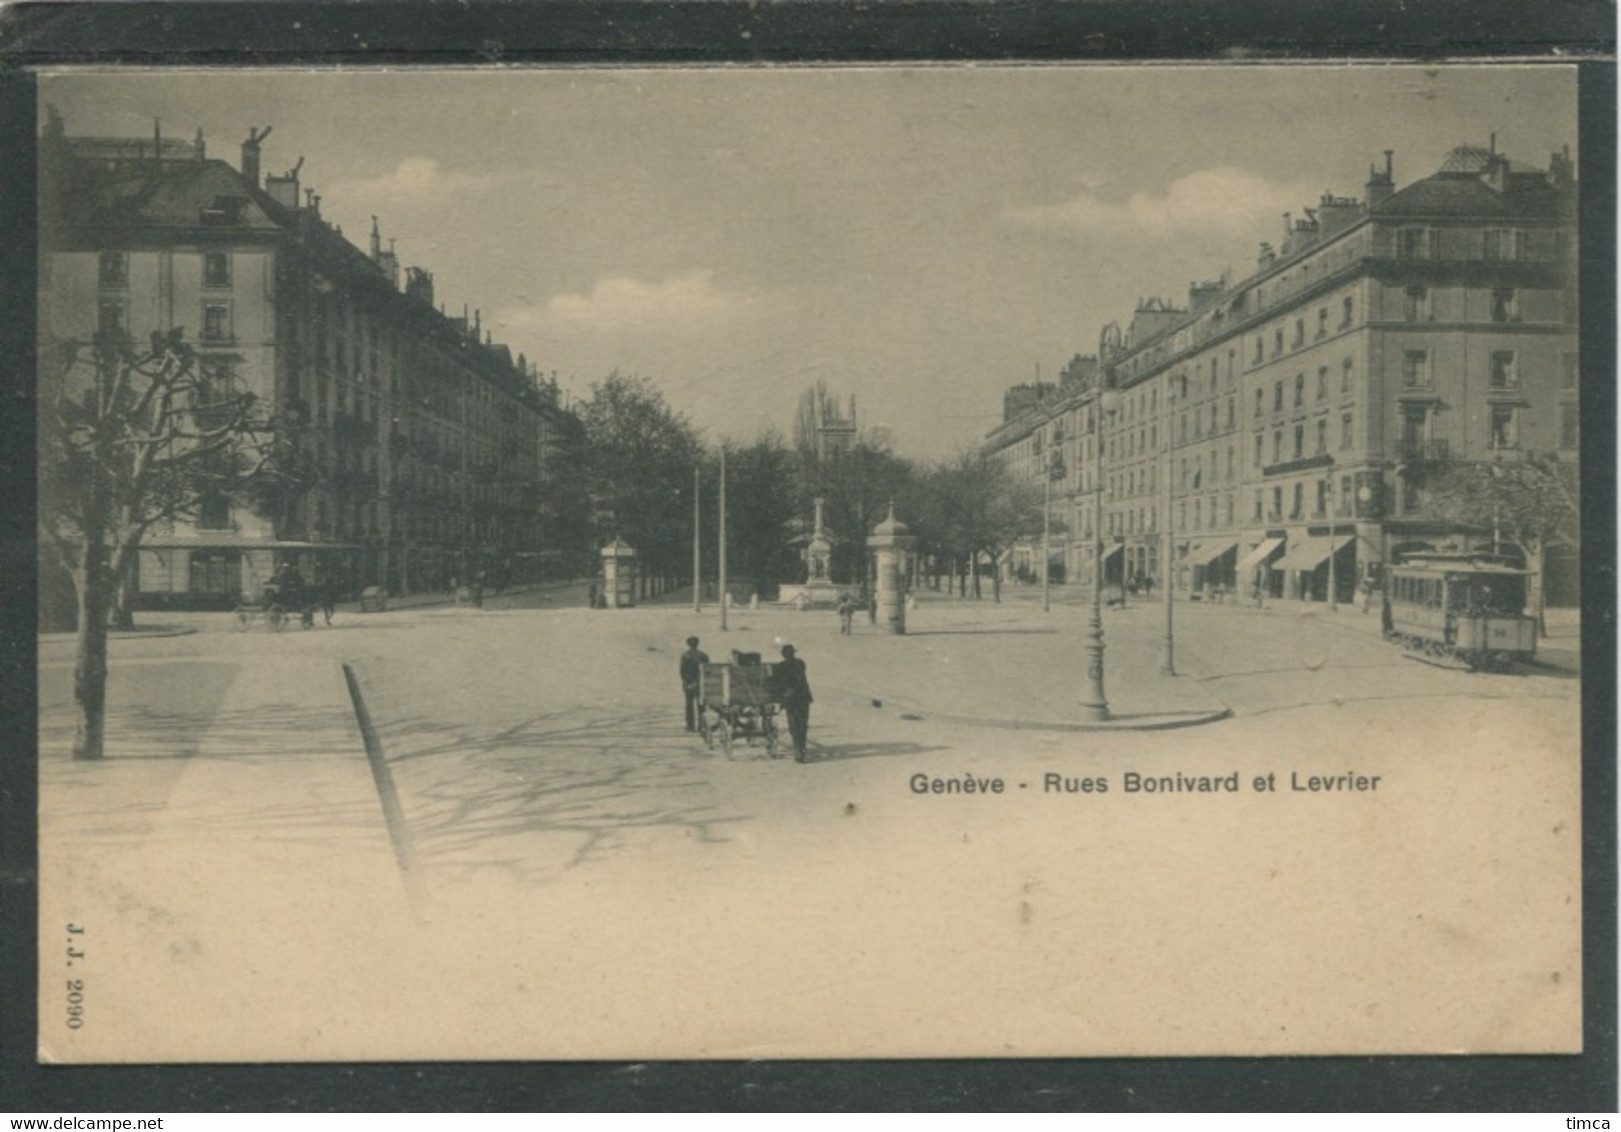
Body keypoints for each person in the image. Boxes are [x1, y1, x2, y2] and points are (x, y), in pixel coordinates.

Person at [774, 643, 814, 762]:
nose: (790, 655)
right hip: (802, 699)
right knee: (801, 726)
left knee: (795, 727)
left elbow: (786, 681)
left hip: (793, 701)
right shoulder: (799, 663)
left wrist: (783, 694)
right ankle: (800, 752)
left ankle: (799, 753)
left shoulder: (786, 666)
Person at [680, 636, 710, 733]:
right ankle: (702, 725)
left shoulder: (685, 655)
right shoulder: (704, 655)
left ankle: (690, 726)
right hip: (701, 682)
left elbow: (682, 671)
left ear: (688, 644)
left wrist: (684, 681)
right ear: (698, 643)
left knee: (689, 705)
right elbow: (708, 669)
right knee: (701, 705)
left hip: (690, 682)